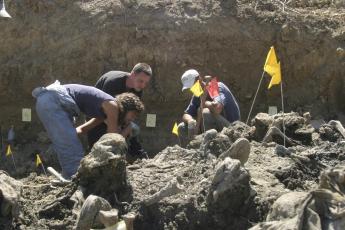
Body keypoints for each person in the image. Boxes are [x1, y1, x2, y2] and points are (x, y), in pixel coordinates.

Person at [32, 81, 144, 179]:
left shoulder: (104, 111)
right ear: (126, 107)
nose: (132, 119)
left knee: (71, 148)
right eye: (132, 115)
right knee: (75, 156)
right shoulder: (112, 106)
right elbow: (112, 141)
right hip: (54, 101)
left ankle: (68, 178)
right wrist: (128, 129)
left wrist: (66, 137)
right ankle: (75, 184)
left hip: (49, 100)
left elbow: (82, 130)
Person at [88, 63, 152, 157]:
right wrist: (119, 130)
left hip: (118, 114)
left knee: (131, 129)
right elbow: (105, 110)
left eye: (146, 83)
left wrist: (128, 127)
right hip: (96, 113)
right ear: (132, 74)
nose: (143, 85)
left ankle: (139, 156)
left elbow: (132, 112)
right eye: (141, 81)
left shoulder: (137, 89)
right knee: (99, 146)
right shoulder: (113, 83)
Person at [178, 69, 240, 146]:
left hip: (230, 130)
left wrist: (205, 103)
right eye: (191, 88)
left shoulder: (214, 86)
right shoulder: (197, 95)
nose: (192, 89)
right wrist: (190, 121)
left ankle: (209, 149)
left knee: (205, 112)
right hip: (210, 131)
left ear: (199, 79)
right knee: (181, 127)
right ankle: (189, 152)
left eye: (193, 86)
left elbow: (217, 109)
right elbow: (186, 114)